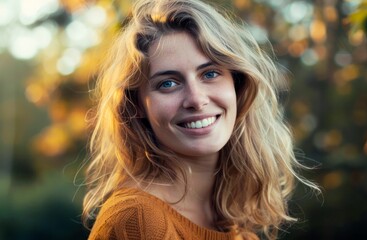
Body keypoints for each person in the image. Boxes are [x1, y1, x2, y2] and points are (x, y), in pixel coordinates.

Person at [82, 0, 319, 239]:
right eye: (168, 83)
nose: (196, 99)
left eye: (210, 73)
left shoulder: (234, 224)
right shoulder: (137, 220)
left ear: (236, 85)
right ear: (137, 106)